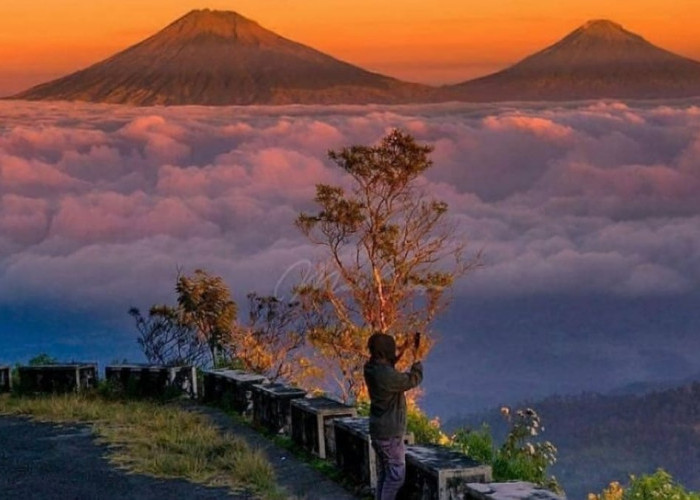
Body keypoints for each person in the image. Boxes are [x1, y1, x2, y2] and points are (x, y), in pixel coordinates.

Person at [364, 332, 423, 500]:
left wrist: (403, 349)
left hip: (378, 430)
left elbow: (388, 366)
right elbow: (413, 379)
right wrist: (416, 358)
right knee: (396, 476)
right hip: (389, 433)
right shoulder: (385, 376)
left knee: (384, 473)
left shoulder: (370, 368)